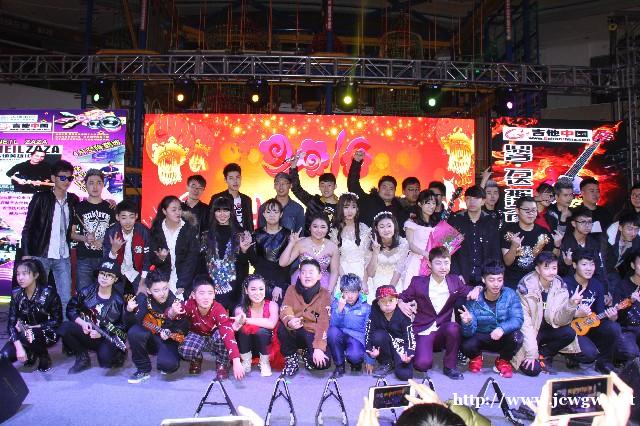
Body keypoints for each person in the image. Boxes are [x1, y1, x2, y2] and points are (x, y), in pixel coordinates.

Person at [398, 247, 481, 380]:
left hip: (442, 330)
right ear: (429, 264)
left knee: (454, 327)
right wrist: (400, 303)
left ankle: (450, 367)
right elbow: (402, 296)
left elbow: (469, 290)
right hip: (423, 330)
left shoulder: (454, 281)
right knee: (422, 365)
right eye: (438, 263)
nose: (443, 267)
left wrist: (478, 288)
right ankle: (419, 352)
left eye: (446, 263)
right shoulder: (418, 282)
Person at [512, 252, 595, 377]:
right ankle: (535, 354)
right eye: (546, 268)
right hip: (531, 332)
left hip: (550, 329)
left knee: (571, 334)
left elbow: (560, 321)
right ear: (537, 269)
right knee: (533, 370)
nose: (551, 272)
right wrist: (531, 353)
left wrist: (571, 304)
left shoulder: (560, 286)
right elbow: (525, 325)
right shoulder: (525, 288)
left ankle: (544, 354)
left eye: (554, 268)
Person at [21, 159, 79, 310]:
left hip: (63, 256)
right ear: (53, 178)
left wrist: (109, 203)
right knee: (37, 296)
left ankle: (65, 324)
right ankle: (35, 323)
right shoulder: (40, 198)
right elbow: (28, 227)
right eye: (63, 177)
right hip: (41, 255)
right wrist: (26, 254)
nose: (67, 181)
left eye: (70, 178)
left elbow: (88, 206)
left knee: (65, 297)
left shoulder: (73, 199)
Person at [167, 275, 245, 380]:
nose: (206, 297)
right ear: (193, 295)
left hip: (214, 337)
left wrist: (236, 361)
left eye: (210, 293)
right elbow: (170, 314)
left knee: (223, 335)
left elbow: (228, 333)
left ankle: (222, 363)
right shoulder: (189, 304)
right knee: (185, 349)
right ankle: (196, 358)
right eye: (201, 293)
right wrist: (172, 312)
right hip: (197, 335)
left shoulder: (219, 309)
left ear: (214, 294)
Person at [58, 259, 126, 374]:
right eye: (102, 273)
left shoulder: (119, 301)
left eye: (109, 275)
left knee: (106, 362)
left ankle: (117, 354)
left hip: (105, 337)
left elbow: (121, 331)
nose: (104, 277)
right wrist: (82, 323)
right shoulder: (86, 292)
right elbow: (71, 309)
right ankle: (82, 356)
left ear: (115, 279)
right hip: (87, 332)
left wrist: (102, 333)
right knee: (64, 327)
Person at [460, 261, 524, 378]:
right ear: (483, 280)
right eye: (491, 280)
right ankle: (476, 357)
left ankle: (503, 360)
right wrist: (468, 322)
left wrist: (502, 329)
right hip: (481, 336)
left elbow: (518, 319)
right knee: (465, 343)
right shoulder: (474, 298)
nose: (496, 284)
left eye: (499, 280)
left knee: (517, 337)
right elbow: (468, 332)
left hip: (501, 336)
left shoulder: (510, 294)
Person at [564, 248, 623, 374]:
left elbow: (600, 312)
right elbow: (557, 315)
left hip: (589, 325)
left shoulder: (597, 285)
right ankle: (570, 354)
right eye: (584, 264)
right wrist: (575, 313)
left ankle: (604, 362)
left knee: (614, 327)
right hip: (569, 328)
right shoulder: (565, 284)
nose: (589, 268)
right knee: (589, 355)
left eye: (592, 264)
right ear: (574, 265)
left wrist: (611, 317)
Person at [125, 270, 189, 383]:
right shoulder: (144, 300)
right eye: (156, 290)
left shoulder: (176, 303)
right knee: (134, 332)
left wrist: (170, 330)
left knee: (168, 366)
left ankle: (173, 356)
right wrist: (129, 311)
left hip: (169, 340)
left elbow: (184, 328)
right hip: (151, 338)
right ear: (149, 291)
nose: (162, 293)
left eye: (165, 288)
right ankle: (143, 369)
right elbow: (131, 324)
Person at [1, 259, 62, 372]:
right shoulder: (16, 294)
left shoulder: (49, 293)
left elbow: (57, 321)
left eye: (25, 274)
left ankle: (43, 355)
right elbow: (11, 324)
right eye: (18, 274)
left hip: (47, 333)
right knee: (4, 356)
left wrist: (34, 327)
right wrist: (18, 346)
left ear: (36, 275)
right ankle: (30, 351)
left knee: (29, 334)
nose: (20, 278)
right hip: (24, 333)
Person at [279, 258, 332, 376]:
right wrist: (290, 320)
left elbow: (323, 321)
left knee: (323, 363)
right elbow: (285, 308)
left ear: (319, 276)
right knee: (283, 328)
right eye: (303, 272)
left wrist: (318, 347)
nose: (307, 276)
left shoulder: (325, 294)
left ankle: (306, 352)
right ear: (299, 275)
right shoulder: (291, 289)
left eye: (311, 272)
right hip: (295, 330)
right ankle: (291, 358)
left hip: (312, 333)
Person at [202, 196, 253, 310]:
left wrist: (244, 251)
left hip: (235, 287)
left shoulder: (241, 234)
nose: (222, 214)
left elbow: (245, 263)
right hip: (210, 287)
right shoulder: (206, 234)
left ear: (231, 212)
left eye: (226, 210)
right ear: (214, 213)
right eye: (218, 211)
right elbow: (201, 263)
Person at [71, 169, 116, 292]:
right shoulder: (78, 207)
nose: (95, 186)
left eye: (98, 182)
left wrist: (104, 240)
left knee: (105, 293)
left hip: (105, 257)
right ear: (85, 185)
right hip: (84, 258)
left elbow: (115, 233)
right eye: (91, 183)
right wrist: (84, 238)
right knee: (83, 293)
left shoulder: (110, 208)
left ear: (103, 185)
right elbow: (71, 234)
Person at [501, 196, 558, 289]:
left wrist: (557, 246)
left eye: (534, 210)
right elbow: (507, 262)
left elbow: (551, 260)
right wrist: (514, 246)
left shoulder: (543, 233)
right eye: (527, 210)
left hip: (537, 282)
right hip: (513, 282)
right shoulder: (508, 232)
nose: (531, 214)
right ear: (517, 210)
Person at [449, 185, 501, 286]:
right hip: (460, 277)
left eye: (476, 198)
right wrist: (456, 273)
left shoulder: (491, 222)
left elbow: (495, 252)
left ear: (483, 201)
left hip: (485, 277)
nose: (472, 202)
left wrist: (491, 275)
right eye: (468, 198)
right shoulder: (455, 220)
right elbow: (449, 250)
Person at [149, 195, 200, 299]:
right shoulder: (156, 230)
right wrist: (161, 259)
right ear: (164, 211)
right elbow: (151, 258)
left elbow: (192, 259)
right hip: (162, 281)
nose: (178, 212)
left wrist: (183, 283)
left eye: (179, 209)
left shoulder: (189, 229)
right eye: (173, 210)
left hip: (184, 280)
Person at [364, 285, 415, 380]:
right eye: (383, 301)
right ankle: (386, 362)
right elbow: (369, 332)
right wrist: (370, 350)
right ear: (378, 303)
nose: (387, 304)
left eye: (391, 300)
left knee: (405, 375)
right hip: (384, 345)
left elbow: (409, 336)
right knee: (378, 335)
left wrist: (408, 354)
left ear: (396, 300)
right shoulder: (374, 313)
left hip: (400, 347)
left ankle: (397, 362)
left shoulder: (403, 313)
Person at [280, 212, 339, 292]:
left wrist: (329, 290)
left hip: (323, 285)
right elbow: (283, 263)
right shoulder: (301, 243)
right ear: (310, 228)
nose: (319, 230)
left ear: (327, 229)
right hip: (302, 282)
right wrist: (291, 243)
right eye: (315, 226)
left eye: (323, 227)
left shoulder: (333, 247)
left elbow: (334, 271)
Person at [234, 274, 279, 377]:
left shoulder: (272, 305)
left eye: (261, 289)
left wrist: (247, 320)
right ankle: (246, 361)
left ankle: (264, 362)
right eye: (253, 289)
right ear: (246, 290)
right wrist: (240, 321)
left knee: (262, 331)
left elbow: (271, 324)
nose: (258, 293)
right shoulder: (240, 308)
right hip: (248, 347)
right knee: (243, 329)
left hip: (268, 348)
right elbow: (239, 322)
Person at [103, 200, 152, 295]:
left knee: (143, 297)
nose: (128, 222)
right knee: (114, 298)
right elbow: (106, 261)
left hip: (137, 271)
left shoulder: (143, 231)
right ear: (117, 217)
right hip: (117, 271)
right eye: (124, 217)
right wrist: (113, 250)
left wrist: (142, 283)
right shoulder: (111, 232)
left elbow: (147, 259)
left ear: (136, 216)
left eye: (131, 217)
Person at [327, 274, 372, 376]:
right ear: (342, 292)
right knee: (332, 332)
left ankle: (356, 362)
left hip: (356, 338)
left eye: (354, 292)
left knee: (355, 357)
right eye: (346, 292)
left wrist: (369, 359)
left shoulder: (366, 308)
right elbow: (333, 324)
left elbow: (369, 332)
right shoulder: (336, 303)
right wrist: (339, 309)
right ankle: (339, 365)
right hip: (340, 335)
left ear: (359, 292)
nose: (350, 296)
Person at [348, 149, 404, 228]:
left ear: (395, 191)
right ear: (378, 189)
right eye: (384, 187)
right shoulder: (367, 200)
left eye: (391, 188)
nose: (387, 191)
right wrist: (356, 162)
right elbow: (353, 185)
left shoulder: (399, 209)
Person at [329, 192, 372, 286]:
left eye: (353, 207)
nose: (350, 211)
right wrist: (344, 279)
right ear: (341, 209)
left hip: (362, 272)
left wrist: (364, 281)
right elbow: (335, 258)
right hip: (343, 271)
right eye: (346, 207)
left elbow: (368, 257)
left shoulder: (364, 228)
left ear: (357, 209)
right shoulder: (336, 231)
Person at [559, 206, 608, 285]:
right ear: (574, 223)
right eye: (582, 222)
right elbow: (558, 272)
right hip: (567, 284)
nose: (587, 225)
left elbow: (599, 268)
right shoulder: (565, 242)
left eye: (589, 222)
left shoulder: (594, 243)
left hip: (589, 284)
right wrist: (567, 264)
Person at [366, 211, 409, 298]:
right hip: (375, 283)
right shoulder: (372, 243)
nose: (386, 230)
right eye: (382, 227)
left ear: (394, 226)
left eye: (389, 226)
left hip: (395, 283)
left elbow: (399, 270)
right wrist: (375, 252)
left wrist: (389, 291)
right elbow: (370, 274)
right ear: (376, 228)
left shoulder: (403, 243)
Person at [289, 159, 339, 234]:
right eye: (323, 185)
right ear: (319, 187)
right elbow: (296, 189)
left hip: (332, 241)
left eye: (329, 185)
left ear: (335, 186)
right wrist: (293, 168)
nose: (326, 189)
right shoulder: (313, 201)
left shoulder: (342, 206)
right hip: (310, 239)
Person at [402, 189, 437, 290]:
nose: (431, 206)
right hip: (416, 261)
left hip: (432, 262)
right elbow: (410, 244)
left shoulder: (435, 223)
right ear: (420, 204)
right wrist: (425, 254)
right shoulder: (411, 222)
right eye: (428, 203)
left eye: (434, 203)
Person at [613, 250, 640, 363]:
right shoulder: (622, 286)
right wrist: (630, 301)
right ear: (633, 265)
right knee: (632, 353)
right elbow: (617, 316)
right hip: (627, 330)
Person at [605, 212, 640, 289]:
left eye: (636, 229)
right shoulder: (606, 240)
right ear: (620, 228)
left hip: (613, 272)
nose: (633, 233)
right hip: (598, 271)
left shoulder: (636, 241)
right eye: (630, 229)